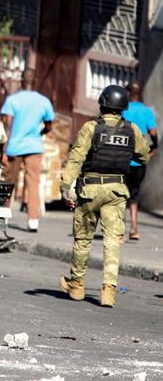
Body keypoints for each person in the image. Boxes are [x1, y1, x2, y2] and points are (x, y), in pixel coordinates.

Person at [59, 85, 149, 308]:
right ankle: (108, 292)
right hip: (116, 191)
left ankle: (77, 286)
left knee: (83, 240)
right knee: (112, 242)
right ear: (123, 108)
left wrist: (65, 187)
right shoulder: (132, 130)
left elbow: (76, 159)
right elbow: (144, 155)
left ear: (102, 104)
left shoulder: (91, 128)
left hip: (90, 190)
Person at [0, 69, 54, 232]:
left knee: (9, 182)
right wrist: (40, 132)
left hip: (15, 146)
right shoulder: (44, 101)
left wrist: (4, 148)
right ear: (34, 81)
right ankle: (32, 220)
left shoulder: (13, 100)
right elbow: (49, 125)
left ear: (22, 81)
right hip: (34, 146)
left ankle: (3, 215)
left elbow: (8, 125)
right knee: (33, 182)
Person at [120, 81, 158, 241]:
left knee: (120, 195)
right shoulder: (147, 111)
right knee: (134, 195)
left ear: (128, 94)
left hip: (123, 159)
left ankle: (119, 232)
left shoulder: (122, 110)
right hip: (139, 161)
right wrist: (154, 147)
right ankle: (134, 229)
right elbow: (154, 133)